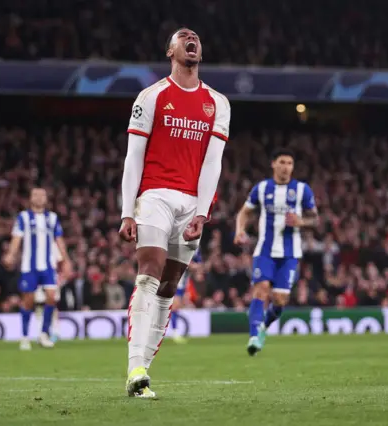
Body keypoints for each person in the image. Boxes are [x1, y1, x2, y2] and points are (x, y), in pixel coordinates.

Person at [119, 27, 230, 398]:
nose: (192, 39)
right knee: (148, 272)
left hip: (190, 204)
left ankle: (143, 372)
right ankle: (134, 364)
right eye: (183, 37)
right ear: (171, 50)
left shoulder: (218, 103)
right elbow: (133, 157)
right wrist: (126, 212)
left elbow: (213, 164)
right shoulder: (151, 97)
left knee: (169, 287)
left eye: (196, 37)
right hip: (155, 195)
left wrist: (203, 212)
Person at [234, 148, 318, 356]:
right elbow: (244, 212)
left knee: (280, 300)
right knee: (261, 290)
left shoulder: (302, 190)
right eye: (282, 162)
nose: (286, 167)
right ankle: (254, 335)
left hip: (290, 254)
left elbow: (315, 219)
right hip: (265, 251)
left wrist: (302, 221)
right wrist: (239, 230)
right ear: (273, 164)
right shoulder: (262, 189)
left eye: (290, 163)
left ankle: (262, 326)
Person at [4, 188, 71, 350]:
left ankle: (43, 334)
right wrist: (11, 254)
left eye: (42, 195)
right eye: (36, 195)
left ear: (46, 199)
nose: (39, 198)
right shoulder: (23, 217)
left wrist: (66, 260)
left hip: (48, 266)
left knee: (51, 297)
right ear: (30, 198)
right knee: (28, 300)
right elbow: (16, 238)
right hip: (29, 267)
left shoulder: (52, 218)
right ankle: (25, 336)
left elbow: (59, 239)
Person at [170, 249, 202, 344]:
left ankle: (174, 332)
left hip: (182, 279)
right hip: (173, 277)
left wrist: (193, 266)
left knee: (176, 305)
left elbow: (198, 263)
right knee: (175, 304)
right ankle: (174, 332)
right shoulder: (178, 243)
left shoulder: (196, 247)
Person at [35, 242, 63, 342]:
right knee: (39, 305)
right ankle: (42, 333)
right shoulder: (34, 244)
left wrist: (59, 276)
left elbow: (60, 261)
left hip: (51, 277)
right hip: (37, 278)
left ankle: (55, 332)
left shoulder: (53, 244)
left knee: (52, 305)